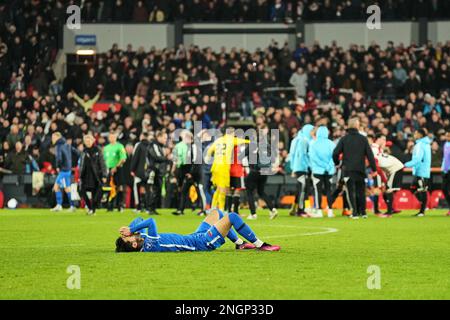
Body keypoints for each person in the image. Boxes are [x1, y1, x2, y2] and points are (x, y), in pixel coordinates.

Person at [115, 209, 281, 253]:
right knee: (232, 217)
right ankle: (261, 245)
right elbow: (150, 221)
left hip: (193, 237)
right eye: (129, 239)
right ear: (135, 244)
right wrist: (131, 229)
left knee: (217, 213)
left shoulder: (141, 239)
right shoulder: (149, 245)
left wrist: (128, 231)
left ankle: (239, 244)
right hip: (201, 243)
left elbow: (137, 219)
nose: (132, 235)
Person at [332, 118, 377, 219]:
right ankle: (364, 212)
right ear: (357, 126)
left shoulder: (344, 139)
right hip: (360, 169)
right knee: (361, 191)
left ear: (348, 126)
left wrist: (337, 163)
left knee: (350, 191)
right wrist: (374, 169)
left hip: (348, 169)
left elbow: (335, 153)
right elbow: (370, 155)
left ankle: (355, 212)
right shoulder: (363, 139)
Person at [206, 127, 249, 210]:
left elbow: (210, 150)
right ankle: (221, 210)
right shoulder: (232, 140)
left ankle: (213, 207)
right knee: (223, 190)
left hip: (215, 167)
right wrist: (253, 142)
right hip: (224, 167)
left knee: (218, 188)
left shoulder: (218, 140)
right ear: (232, 133)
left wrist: (208, 158)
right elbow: (244, 141)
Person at [245, 126, 278, 220]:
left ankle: (253, 214)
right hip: (264, 171)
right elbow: (273, 158)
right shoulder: (267, 146)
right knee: (261, 192)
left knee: (249, 192)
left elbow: (241, 156)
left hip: (254, 171)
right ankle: (273, 209)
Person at [172, 130, 204, 216]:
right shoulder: (190, 147)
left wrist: (191, 173)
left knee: (199, 191)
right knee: (184, 191)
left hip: (195, 174)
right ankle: (181, 210)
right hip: (190, 173)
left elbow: (196, 162)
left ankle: (202, 209)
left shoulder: (195, 147)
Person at [371, 134, 404, 216]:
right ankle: (378, 210)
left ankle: (389, 210)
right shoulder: (374, 148)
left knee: (386, 189)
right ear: (378, 139)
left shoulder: (379, 149)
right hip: (378, 171)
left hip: (387, 170)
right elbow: (377, 164)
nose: (384, 141)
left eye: (385, 139)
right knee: (380, 189)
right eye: (383, 139)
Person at [308, 126, 336, 218]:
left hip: (317, 171)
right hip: (329, 171)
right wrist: (327, 166)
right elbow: (334, 157)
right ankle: (330, 211)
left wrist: (322, 166)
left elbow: (313, 157)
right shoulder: (331, 144)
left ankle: (319, 211)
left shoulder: (314, 144)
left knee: (318, 191)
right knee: (329, 190)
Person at [405, 129, 432, 217]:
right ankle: (423, 207)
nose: (414, 134)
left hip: (421, 171)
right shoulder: (425, 144)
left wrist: (405, 164)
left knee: (422, 190)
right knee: (414, 188)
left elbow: (417, 159)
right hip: (421, 170)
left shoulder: (420, 145)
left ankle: (422, 211)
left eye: (416, 133)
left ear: (420, 135)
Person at [289, 124, 314, 217]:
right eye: (312, 131)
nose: (313, 133)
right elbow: (302, 156)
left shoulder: (299, 139)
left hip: (298, 167)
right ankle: (301, 210)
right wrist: (308, 166)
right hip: (302, 168)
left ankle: (294, 208)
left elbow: (292, 154)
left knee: (300, 189)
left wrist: (293, 168)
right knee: (303, 190)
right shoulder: (304, 141)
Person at [79, 134, 107, 215]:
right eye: (86, 141)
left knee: (95, 193)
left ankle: (93, 210)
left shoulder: (98, 150)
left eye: (89, 140)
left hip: (95, 175)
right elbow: (81, 163)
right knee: (81, 190)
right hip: (85, 174)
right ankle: (90, 206)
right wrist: (80, 174)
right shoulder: (84, 151)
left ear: (93, 140)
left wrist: (104, 175)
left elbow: (102, 163)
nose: (87, 142)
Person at [103, 130, 127, 212]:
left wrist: (116, 167)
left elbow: (123, 159)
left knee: (119, 187)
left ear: (116, 137)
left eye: (113, 137)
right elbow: (103, 160)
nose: (112, 138)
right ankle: (110, 206)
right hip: (108, 169)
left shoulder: (120, 146)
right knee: (109, 187)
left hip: (118, 169)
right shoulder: (106, 148)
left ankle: (120, 205)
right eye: (110, 137)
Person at [51, 132, 75, 212]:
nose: (52, 139)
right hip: (67, 169)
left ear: (58, 137)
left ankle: (60, 205)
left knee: (56, 187)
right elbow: (74, 153)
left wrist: (58, 166)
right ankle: (71, 206)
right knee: (67, 188)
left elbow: (59, 158)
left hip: (63, 170)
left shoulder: (58, 145)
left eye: (53, 137)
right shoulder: (66, 144)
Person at [147, 131, 170, 215]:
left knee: (157, 190)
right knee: (154, 190)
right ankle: (150, 208)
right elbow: (156, 157)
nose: (165, 140)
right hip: (154, 171)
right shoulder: (154, 145)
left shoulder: (160, 146)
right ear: (159, 137)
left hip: (159, 172)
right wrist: (166, 158)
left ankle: (152, 208)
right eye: (164, 138)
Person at [130, 132, 151, 213]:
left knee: (137, 189)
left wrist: (132, 169)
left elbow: (135, 157)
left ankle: (139, 207)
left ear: (141, 136)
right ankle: (147, 207)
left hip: (139, 172)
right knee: (147, 189)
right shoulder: (151, 145)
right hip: (148, 172)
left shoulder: (139, 145)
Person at [442, 132, 450, 217]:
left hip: (448, 170)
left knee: (445, 189)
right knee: (444, 189)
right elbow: (445, 158)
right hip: (446, 170)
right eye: (446, 135)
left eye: (449, 136)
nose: (447, 137)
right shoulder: (446, 144)